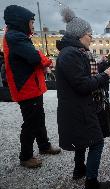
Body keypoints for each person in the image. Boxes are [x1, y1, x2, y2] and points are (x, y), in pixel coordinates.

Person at [56, 7, 110, 189]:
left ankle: (79, 169)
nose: (92, 38)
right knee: (96, 142)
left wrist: (100, 75)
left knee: (82, 140)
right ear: (81, 35)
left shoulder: (71, 52)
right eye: (90, 35)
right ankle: (91, 182)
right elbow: (82, 85)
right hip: (79, 108)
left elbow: (81, 79)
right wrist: (104, 75)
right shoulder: (71, 54)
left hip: (78, 107)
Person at [3, 5, 61, 168]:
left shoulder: (16, 35)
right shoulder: (15, 37)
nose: (33, 26)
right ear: (21, 21)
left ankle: (44, 146)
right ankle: (26, 156)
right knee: (31, 122)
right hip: (26, 87)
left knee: (38, 118)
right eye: (31, 22)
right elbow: (34, 56)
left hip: (31, 86)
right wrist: (48, 61)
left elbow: (33, 54)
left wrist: (42, 59)